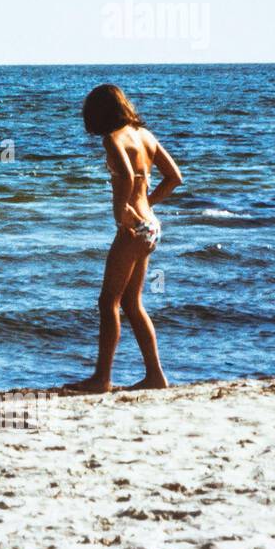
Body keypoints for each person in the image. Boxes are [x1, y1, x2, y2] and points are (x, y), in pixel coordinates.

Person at [66, 85, 182, 393]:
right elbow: (175, 178)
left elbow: (129, 176)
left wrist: (122, 214)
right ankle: (155, 376)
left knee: (108, 303)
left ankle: (101, 378)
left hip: (133, 229)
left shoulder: (112, 139)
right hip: (152, 227)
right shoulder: (145, 136)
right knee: (132, 303)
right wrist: (147, 206)